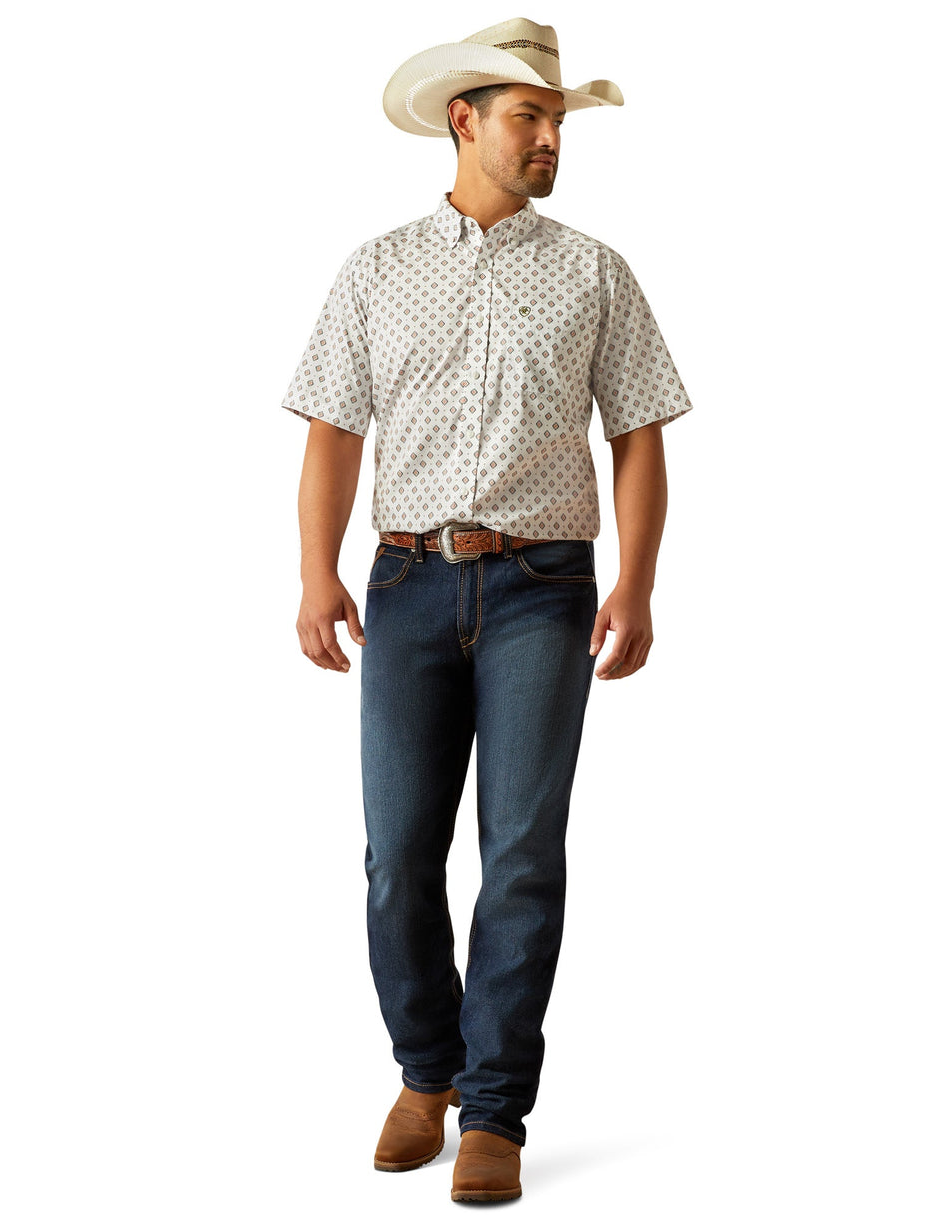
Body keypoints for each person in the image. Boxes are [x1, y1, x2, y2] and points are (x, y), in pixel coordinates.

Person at [281, 18, 693, 1203]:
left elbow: (639, 434)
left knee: (519, 856)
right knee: (398, 856)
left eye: (558, 119)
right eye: (531, 117)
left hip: (543, 589)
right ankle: (428, 1073)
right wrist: (315, 572)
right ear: (465, 121)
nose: (552, 136)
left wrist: (638, 580)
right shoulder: (375, 269)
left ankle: (495, 1109)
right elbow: (332, 432)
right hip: (406, 586)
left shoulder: (596, 272)